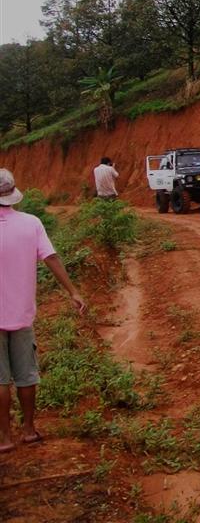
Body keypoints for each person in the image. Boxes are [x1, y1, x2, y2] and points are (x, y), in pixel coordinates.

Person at [0, 168, 86, 454]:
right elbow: (51, 257)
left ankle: (5, 438)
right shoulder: (31, 223)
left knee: (0, 379)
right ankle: (28, 430)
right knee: (26, 375)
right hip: (22, 315)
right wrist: (73, 291)